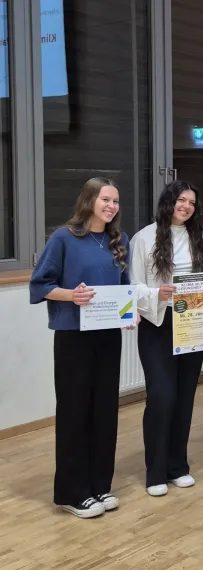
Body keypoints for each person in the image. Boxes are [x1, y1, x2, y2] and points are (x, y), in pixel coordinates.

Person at [29, 177, 132, 518]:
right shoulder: (64, 238)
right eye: (105, 199)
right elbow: (41, 285)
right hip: (73, 336)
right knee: (75, 411)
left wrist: (129, 311)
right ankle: (72, 492)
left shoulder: (119, 240)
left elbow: (124, 286)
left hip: (108, 336)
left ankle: (99, 485)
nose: (111, 206)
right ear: (89, 200)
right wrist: (72, 295)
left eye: (116, 201)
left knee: (105, 410)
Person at [130, 181, 203, 496]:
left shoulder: (200, 237)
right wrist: (156, 293)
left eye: (191, 202)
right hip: (158, 324)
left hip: (193, 324)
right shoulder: (144, 238)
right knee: (161, 397)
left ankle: (177, 466)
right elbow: (132, 285)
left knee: (185, 396)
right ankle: (155, 472)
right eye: (181, 200)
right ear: (168, 202)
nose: (187, 206)